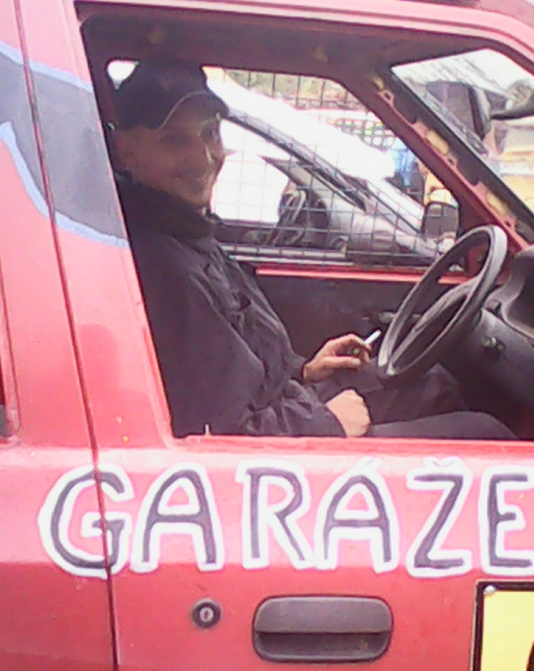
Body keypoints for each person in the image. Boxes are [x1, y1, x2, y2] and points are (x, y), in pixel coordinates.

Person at [110, 58, 513, 440]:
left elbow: (238, 373)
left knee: (433, 385)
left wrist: (304, 371)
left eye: (210, 134)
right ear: (126, 151)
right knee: (484, 433)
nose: (203, 158)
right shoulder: (164, 270)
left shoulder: (186, 234)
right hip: (289, 444)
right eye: (174, 141)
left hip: (291, 405)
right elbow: (221, 439)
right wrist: (327, 424)